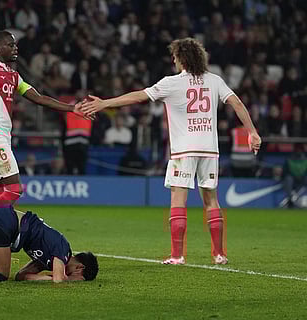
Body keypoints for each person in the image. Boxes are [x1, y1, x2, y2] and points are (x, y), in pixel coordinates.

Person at [81, 38, 262, 265]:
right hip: (209, 149)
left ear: (181, 59)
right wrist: (252, 132)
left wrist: (105, 103)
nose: (173, 61)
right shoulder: (215, 81)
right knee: (211, 200)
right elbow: (236, 103)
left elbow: (139, 96)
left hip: (183, 151)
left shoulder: (172, 83)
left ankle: (177, 255)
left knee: (178, 198)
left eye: (175, 57)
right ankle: (219, 254)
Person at [0, 30, 88, 208]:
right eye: (10, 45)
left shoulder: (13, 75)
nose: (15, 48)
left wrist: (72, 108)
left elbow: (39, 98)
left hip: (1, 135)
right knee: (14, 188)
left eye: (15, 45)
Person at [282, 144, 307, 208]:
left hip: (303, 179)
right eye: (297, 150)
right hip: (292, 178)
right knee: (288, 179)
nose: (299, 151)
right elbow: (285, 172)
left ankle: (296, 198)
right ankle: (290, 199)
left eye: (300, 150)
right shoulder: (289, 159)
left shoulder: (305, 160)